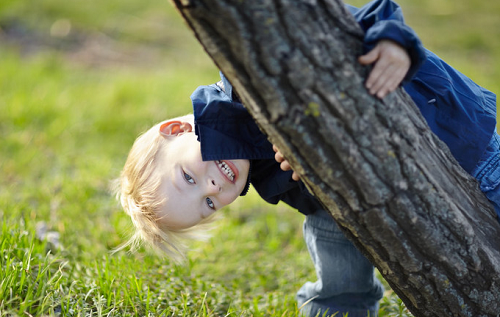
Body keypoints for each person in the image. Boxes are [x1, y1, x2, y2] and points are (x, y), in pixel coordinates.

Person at [114, 0, 499, 316]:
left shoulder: (247, 78)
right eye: (209, 204)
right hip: (399, 190)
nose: (213, 187)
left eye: (189, 178)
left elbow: (360, 15)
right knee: (328, 224)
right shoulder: (264, 174)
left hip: (459, 140)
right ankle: (337, 304)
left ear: (177, 129)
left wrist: (393, 43)